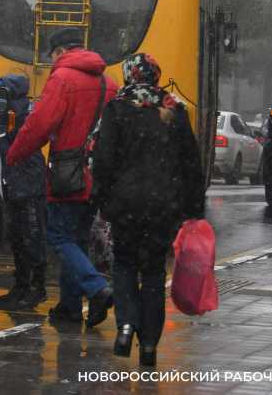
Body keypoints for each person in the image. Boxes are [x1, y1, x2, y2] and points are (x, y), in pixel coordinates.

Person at [92, 53, 205, 367]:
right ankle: (150, 345)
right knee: (154, 272)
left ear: (130, 75)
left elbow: (103, 161)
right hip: (163, 205)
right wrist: (194, 209)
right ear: (156, 76)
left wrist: (103, 199)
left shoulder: (116, 109)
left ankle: (126, 325)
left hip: (125, 203)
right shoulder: (175, 110)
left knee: (125, 264)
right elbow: (190, 165)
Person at [6, 27, 117, 327]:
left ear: (59, 52)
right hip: (96, 174)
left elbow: (39, 124)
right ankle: (70, 306)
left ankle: (96, 288)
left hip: (68, 173)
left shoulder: (63, 79)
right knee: (77, 238)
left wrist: (14, 154)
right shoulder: (109, 83)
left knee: (59, 236)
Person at [0, 73, 48, 311]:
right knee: (19, 236)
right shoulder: (15, 112)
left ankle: (35, 287)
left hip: (26, 180)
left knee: (30, 236)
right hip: (17, 178)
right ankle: (23, 286)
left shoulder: (18, 113)